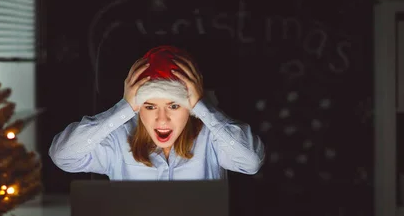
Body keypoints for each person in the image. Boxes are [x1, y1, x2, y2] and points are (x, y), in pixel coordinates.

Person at [49, 45, 265, 180]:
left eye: (174, 106)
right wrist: (124, 107)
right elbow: (63, 156)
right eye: (150, 106)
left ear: (189, 107)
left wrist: (201, 105)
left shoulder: (212, 139)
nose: (162, 119)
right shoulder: (116, 141)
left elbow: (251, 162)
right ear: (137, 107)